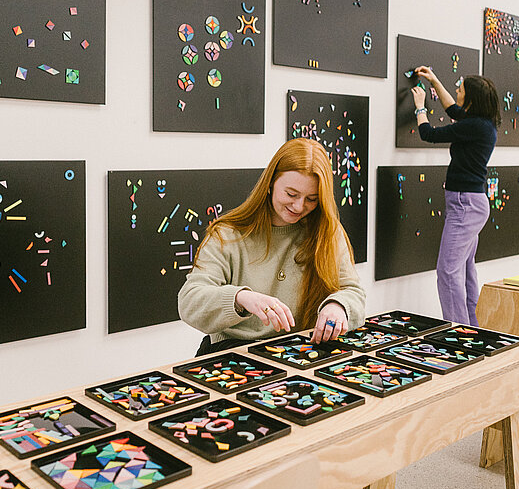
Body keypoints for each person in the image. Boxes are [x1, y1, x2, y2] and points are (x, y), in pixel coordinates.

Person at [178, 138, 366, 355]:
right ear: (270, 184)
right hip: (233, 353)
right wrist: (241, 298)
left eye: (311, 199)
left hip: (302, 353)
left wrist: (339, 306)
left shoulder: (328, 233)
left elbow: (354, 292)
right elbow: (190, 302)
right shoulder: (227, 235)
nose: (298, 206)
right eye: (291, 194)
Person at [411, 66, 500, 326]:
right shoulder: (482, 124)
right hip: (470, 204)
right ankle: (471, 327)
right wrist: (435, 81)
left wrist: (420, 106)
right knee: (464, 270)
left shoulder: (474, 126)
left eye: (460, 89)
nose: (457, 91)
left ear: (471, 99)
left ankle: (457, 330)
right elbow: (453, 110)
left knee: (448, 271)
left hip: (464, 205)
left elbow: (429, 134)